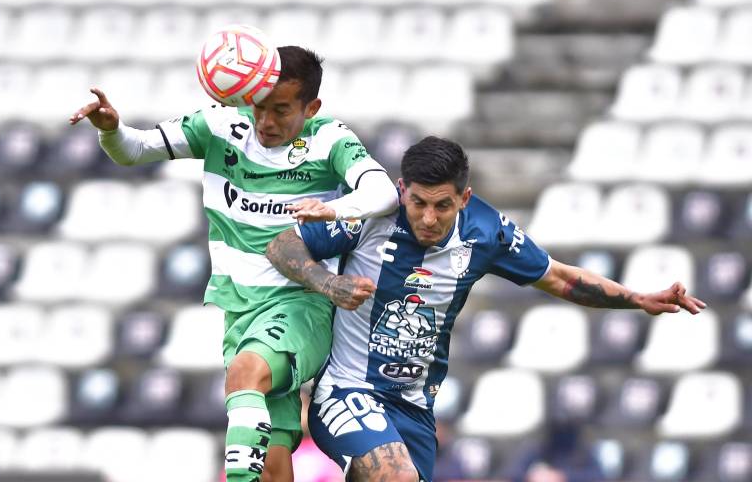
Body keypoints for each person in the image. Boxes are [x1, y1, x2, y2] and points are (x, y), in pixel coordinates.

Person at [265, 136, 706, 482]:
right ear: (401, 190)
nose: (429, 218)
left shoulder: (486, 231)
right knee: (395, 476)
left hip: (414, 407)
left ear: (464, 197)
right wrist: (329, 283)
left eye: (442, 205)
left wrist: (636, 299)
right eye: (418, 203)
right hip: (347, 389)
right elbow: (282, 245)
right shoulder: (370, 213)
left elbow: (558, 277)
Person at [69, 46, 398, 482]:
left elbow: (383, 193)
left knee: (246, 374)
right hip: (239, 310)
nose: (266, 121)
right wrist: (112, 129)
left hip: (300, 302)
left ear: (311, 107)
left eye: (282, 110)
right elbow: (135, 150)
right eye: (259, 106)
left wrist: (334, 209)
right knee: (272, 464)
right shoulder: (221, 124)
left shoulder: (329, 139)